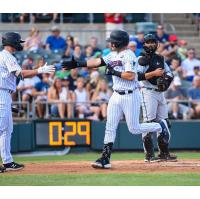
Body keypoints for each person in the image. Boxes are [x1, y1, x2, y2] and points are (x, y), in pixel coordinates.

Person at [62, 30, 171, 169]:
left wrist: (114, 72)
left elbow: (131, 76)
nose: (110, 43)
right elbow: (98, 61)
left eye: (112, 41)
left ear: (118, 42)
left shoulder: (129, 55)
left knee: (134, 128)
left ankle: (160, 126)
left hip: (130, 95)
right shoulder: (113, 54)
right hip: (116, 95)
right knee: (110, 127)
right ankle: (105, 158)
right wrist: (78, 63)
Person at [0, 32, 55, 171]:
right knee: (2, 128)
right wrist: (40, 70)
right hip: (2, 93)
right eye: (18, 42)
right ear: (12, 42)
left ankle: (7, 161)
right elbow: (21, 74)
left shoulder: (4, 56)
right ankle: (6, 161)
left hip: (5, 93)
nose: (20, 44)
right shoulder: (7, 55)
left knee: (7, 129)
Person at [136, 33, 177, 162]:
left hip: (160, 93)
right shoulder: (141, 59)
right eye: (148, 42)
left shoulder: (160, 58)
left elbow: (169, 73)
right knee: (149, 123)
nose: (151, 44)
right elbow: (138, 76)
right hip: (148, 92)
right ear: (144, 44)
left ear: (157, 43)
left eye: (153, 42)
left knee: (164, 122)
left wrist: (166, 81)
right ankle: (149, 155)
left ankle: (163, 153)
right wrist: (154, 73)